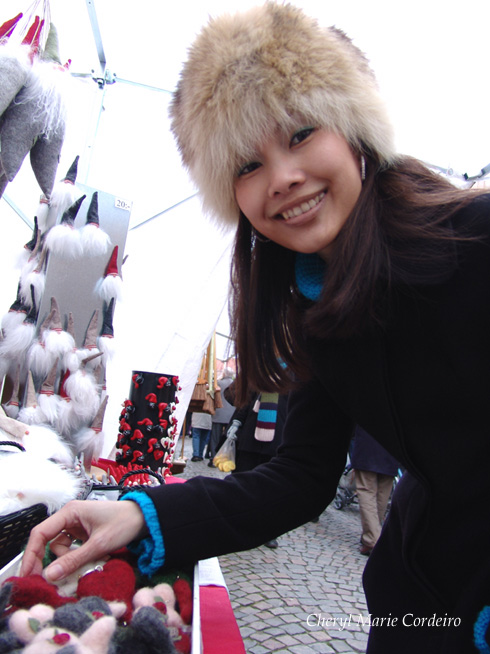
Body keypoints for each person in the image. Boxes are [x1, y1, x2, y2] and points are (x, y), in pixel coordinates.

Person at [20, 4, 490, 652]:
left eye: (300, 134)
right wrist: (137, 511)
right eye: (246, 164)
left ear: (354, 129)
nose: (283, 178)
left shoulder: (478, 239)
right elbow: (299, 475)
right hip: (420, 606)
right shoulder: (313, 310)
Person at [228, 391, 288, 548]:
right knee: (242, 482)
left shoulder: (293, 379)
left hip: (276, 442)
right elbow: (243, 401)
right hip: (250, 439)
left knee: (272, 489)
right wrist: (236, 422)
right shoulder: (258, 375)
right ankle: (238, 524)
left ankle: (269, 532)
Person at [350, 425, 399, 556]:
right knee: (382, 494)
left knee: (367, 491)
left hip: (368, 444)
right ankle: (371, 536)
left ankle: (373, 539)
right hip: (392, 448)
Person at [208, 369, 236, 466]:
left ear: (224, 374)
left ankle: (213, 458)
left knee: (215, 437)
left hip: (219, 413)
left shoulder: (218, 383)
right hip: (230, 414)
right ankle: (226, 457)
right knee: (228, 437)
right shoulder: (234, 384)